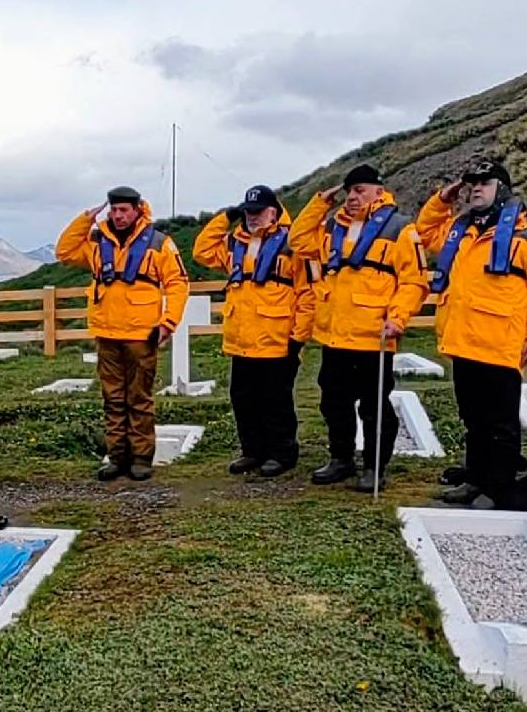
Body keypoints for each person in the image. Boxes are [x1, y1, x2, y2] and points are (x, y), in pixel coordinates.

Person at [289, 165, 429, 491]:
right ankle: (341, 459)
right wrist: (320, 202)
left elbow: (413, 281)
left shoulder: (399, 229)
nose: (353, 197)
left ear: (379, 192)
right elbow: (297, 240)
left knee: (374, 406)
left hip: (374, 336)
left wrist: (398, 318)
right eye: (349, 191)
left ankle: (374, 467)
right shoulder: (332, 227)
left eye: (360, 190)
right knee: (333, 402)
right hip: (335, 336)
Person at [56, 186, 189, 481]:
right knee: (112, 398)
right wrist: (86, 219)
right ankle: (117, 457)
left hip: (143, 334)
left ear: (138, 209)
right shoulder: (96, 241)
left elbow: (178, 283)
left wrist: (168, 322)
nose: (117, 215)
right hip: (107, 333)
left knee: (139, 398)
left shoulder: (159, 243)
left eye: (123, 210)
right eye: (113, 210)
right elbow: (64, 251)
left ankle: (142, 458)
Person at [416, 160, 527, 511]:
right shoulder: (458, 230)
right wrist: (443, 198)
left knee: (502, 425)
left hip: (500, 344)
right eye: (471, 183)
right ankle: (475, 479)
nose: (476, 188)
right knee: (473, 420)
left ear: (503, 189)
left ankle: (499, 489)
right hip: (462, 342)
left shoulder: (523, 235)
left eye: (485, 182)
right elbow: (423, 229)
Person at [193, 185, 316, 477]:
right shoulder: (235, 243)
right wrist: (226, 217)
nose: (253, 218)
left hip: (277, 341)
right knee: (244, 400)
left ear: (274, 211)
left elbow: (308, 295)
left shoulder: (293, 243)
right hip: (241, 341)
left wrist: (298, 339)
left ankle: (282, 454)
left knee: (276, 402)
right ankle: (252, 452)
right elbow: (201, 251)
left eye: (258, 212)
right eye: (248, 212)